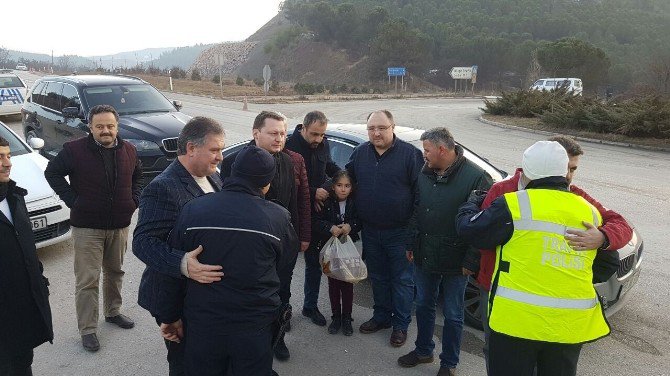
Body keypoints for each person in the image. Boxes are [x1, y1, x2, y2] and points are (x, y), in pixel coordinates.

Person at [475, 135, 633, 374]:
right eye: (565, 168)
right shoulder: (502, 190)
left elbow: (621, 225)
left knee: (551, 360)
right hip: (503, 291)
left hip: (554, 296)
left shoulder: (576, 197)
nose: (567, 176)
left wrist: (603, 237)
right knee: (501, 353)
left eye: (573, 169)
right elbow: (482, 237)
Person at [157, 145, 298, 376]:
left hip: (203, 325)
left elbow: (172, 271)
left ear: (232, 173)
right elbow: (284, 271)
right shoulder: (278, 218)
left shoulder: (193, 210)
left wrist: (170, 316)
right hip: (254, 327)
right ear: (266, 184)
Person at [44, 104, 141, 352]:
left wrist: (134, 200)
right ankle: (88, 330)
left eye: (110, 126)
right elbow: (52, 173)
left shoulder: (129, 150)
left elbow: (138, 177)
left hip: (119, 225)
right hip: (87, 228)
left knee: (115, 272)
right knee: (88, 280)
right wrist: (73, 201)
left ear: (117, 127)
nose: (105, 130)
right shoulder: (74, 150)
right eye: (100, 126)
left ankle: (113, 312)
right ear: (90, 127)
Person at [133, 116, 225, 375]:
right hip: (173, 295)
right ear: (191, 148)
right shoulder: (162, 187)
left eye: (220, 150)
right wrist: (183, 263)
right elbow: (143, 243)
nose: (220, 157)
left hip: (203, 296)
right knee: (184, 362)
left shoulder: (214, 177)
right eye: (214, 150)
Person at [398, 128, 493, 376]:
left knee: (452, 313)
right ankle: (423, 351)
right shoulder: (424, 172)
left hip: (457, 259)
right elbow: (417, 210)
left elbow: (481, 222)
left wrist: (471, 259)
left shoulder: (477, 177)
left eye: (427, 150)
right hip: (424, 251)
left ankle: (448, 364)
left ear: (442, 150)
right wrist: (411, 243)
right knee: (424, 304)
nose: (424, 155)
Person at [221, 110, 311, 361]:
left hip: (282, 242)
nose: (279, 138)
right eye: (273, 133)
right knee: (249, 294)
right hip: (248, 245)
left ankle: (278, 336)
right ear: (255, 133)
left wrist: (301, 236)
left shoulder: (290, 161)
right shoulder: (233, 162)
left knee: (281, 290)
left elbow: (297, 201)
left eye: (283, 133)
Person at [345, 110, 424, 346]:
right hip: (371, 230)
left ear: (393, 127)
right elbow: (346, 178)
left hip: (400, 232)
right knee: (378, 277)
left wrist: (412, 232)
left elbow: (421, 195)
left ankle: (400, 326)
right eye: (372, 129)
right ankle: (381, 317)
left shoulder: (410, 155)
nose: (376, 133)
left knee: (402, 281)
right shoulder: (360, 153)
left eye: (382, 128)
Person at [0, 136, 53, 375]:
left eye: (8, 156)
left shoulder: (15, 196)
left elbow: (28, 248)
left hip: (22, 307)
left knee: (23, 364)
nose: (7, 163)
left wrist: (40, 282)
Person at [285, 110, 341, 327]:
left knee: (314, 265)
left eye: (322, 134)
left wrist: (326, 188)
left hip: (317, 214)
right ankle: (284, 310)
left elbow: (330, 170)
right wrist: (312, 193)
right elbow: (287, 183)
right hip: (294, 215)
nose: (318, 139)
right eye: (314, 134)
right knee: (286, 268)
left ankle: (310, 306)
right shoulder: (289, 146)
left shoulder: (323, 144)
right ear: (303, 128)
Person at [312, 170, 361, 336]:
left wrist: (351, 226)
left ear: (352, 188)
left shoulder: (354, 202)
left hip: (348, 249)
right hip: (331, 249)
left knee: (347, 284)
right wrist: (329, 227)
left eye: (347, 186)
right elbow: (316, 221)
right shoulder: (326, 202)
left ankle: (347, 318)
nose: (343, 189)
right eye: (339, 185)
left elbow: (360, 220)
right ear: (333, 187)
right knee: (334, 284)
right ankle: (336, 317)